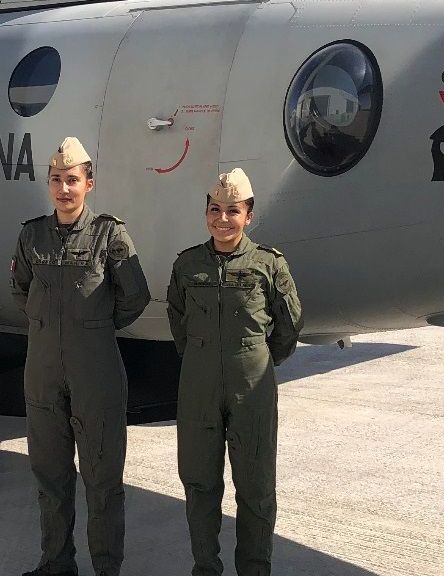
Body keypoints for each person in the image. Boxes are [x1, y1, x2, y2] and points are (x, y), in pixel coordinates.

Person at [10, 137, 150, 576]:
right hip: (43, 373)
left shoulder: (110, 235)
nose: (64, 189)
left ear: (89, 183)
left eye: (72, 180)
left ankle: (107, 568)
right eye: (56, 180)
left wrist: (93, 327)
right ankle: (56, 564)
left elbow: (135, 297)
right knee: (50, 477)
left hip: (97, 374)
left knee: (102, 480)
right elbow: (21, 290)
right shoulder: (31, 234)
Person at [166, 168, 303, 576]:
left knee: (256, 489)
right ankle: (205, 567)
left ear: (249, 216)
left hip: (252, 386)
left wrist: (257, 357)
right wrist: (202, 357)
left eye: (233, 211)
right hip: (198, 385)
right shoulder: (188, 265)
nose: (222, 219)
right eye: (215, 210)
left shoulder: (268, 265)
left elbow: (288, 323)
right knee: (199, 484)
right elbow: (178, 319)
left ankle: (255, 570)